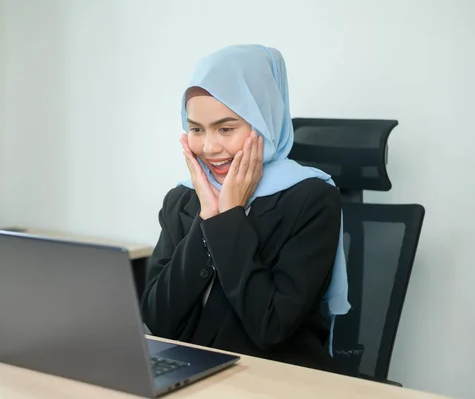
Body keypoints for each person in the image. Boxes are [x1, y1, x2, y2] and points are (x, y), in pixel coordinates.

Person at [139, 44, 350, 372]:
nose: (209, 147)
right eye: (196, 129)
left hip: (272, 378)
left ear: (263, 122)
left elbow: (271, 329)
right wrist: (207, 216)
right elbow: (158, 321)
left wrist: (227, 220)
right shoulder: (182, 199)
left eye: (225, 128)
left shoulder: (312, 198)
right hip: (192, 372)